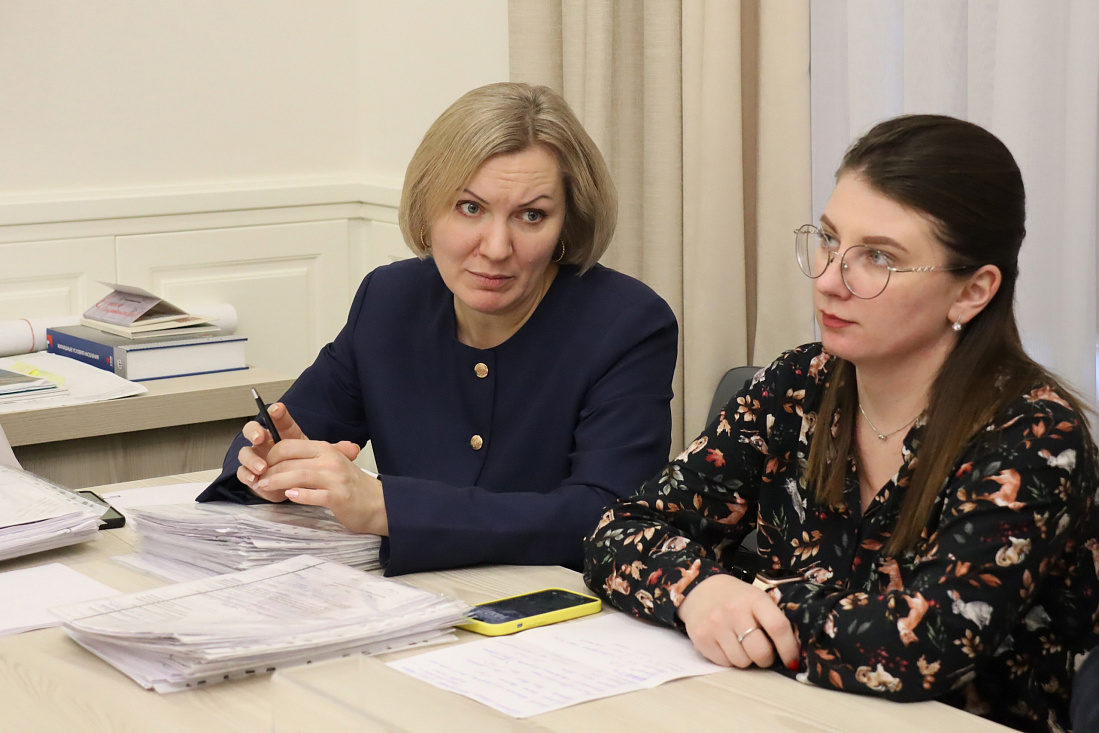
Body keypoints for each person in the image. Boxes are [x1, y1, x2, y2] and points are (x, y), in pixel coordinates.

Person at [584, 114, 1099, 732]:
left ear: (972, 291)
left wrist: (751, 602)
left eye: (878, 258)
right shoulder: (797, 385)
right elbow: (620, 530)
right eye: (829, 240)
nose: (829, 280)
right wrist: (701, 592)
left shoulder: (1034, 437)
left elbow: (923, 645)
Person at [198, 82, 678, 577]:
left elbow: (606, 517)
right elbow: (270, 439)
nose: (496, 247)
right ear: (427, 209)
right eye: (471, 208)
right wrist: (275, 468)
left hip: (562, 606)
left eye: (531, 215)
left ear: (566, 225)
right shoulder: (390, 299)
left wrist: (386, 507)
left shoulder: (628, 323)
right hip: (412, 597)